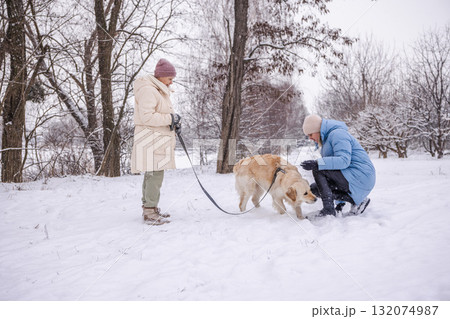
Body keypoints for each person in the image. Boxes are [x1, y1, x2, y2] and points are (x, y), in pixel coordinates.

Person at [131, 58, 181, 225]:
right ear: (160, 76)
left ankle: (150, 207)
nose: (171, 81)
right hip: (151, 139)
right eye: (169, 78)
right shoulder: (148, 90)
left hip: (155, 139)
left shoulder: (157, 89)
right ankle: (150, 212)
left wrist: (173, 121)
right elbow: (147, 116)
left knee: (152, 174)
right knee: (155, 175)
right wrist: (170, 118)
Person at [300, 114, 376, 217]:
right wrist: (339, 205)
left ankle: (328, 210)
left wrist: (317, 163)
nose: (310, 138)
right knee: (314, 189)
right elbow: (334, 173)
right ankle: (357, 201)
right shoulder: (326, 142)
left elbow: (343, 161)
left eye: (310, 134)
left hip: (361, 175)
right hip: (351, 176)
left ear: (317, 130)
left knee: (318, 168)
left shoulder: (337, 134)